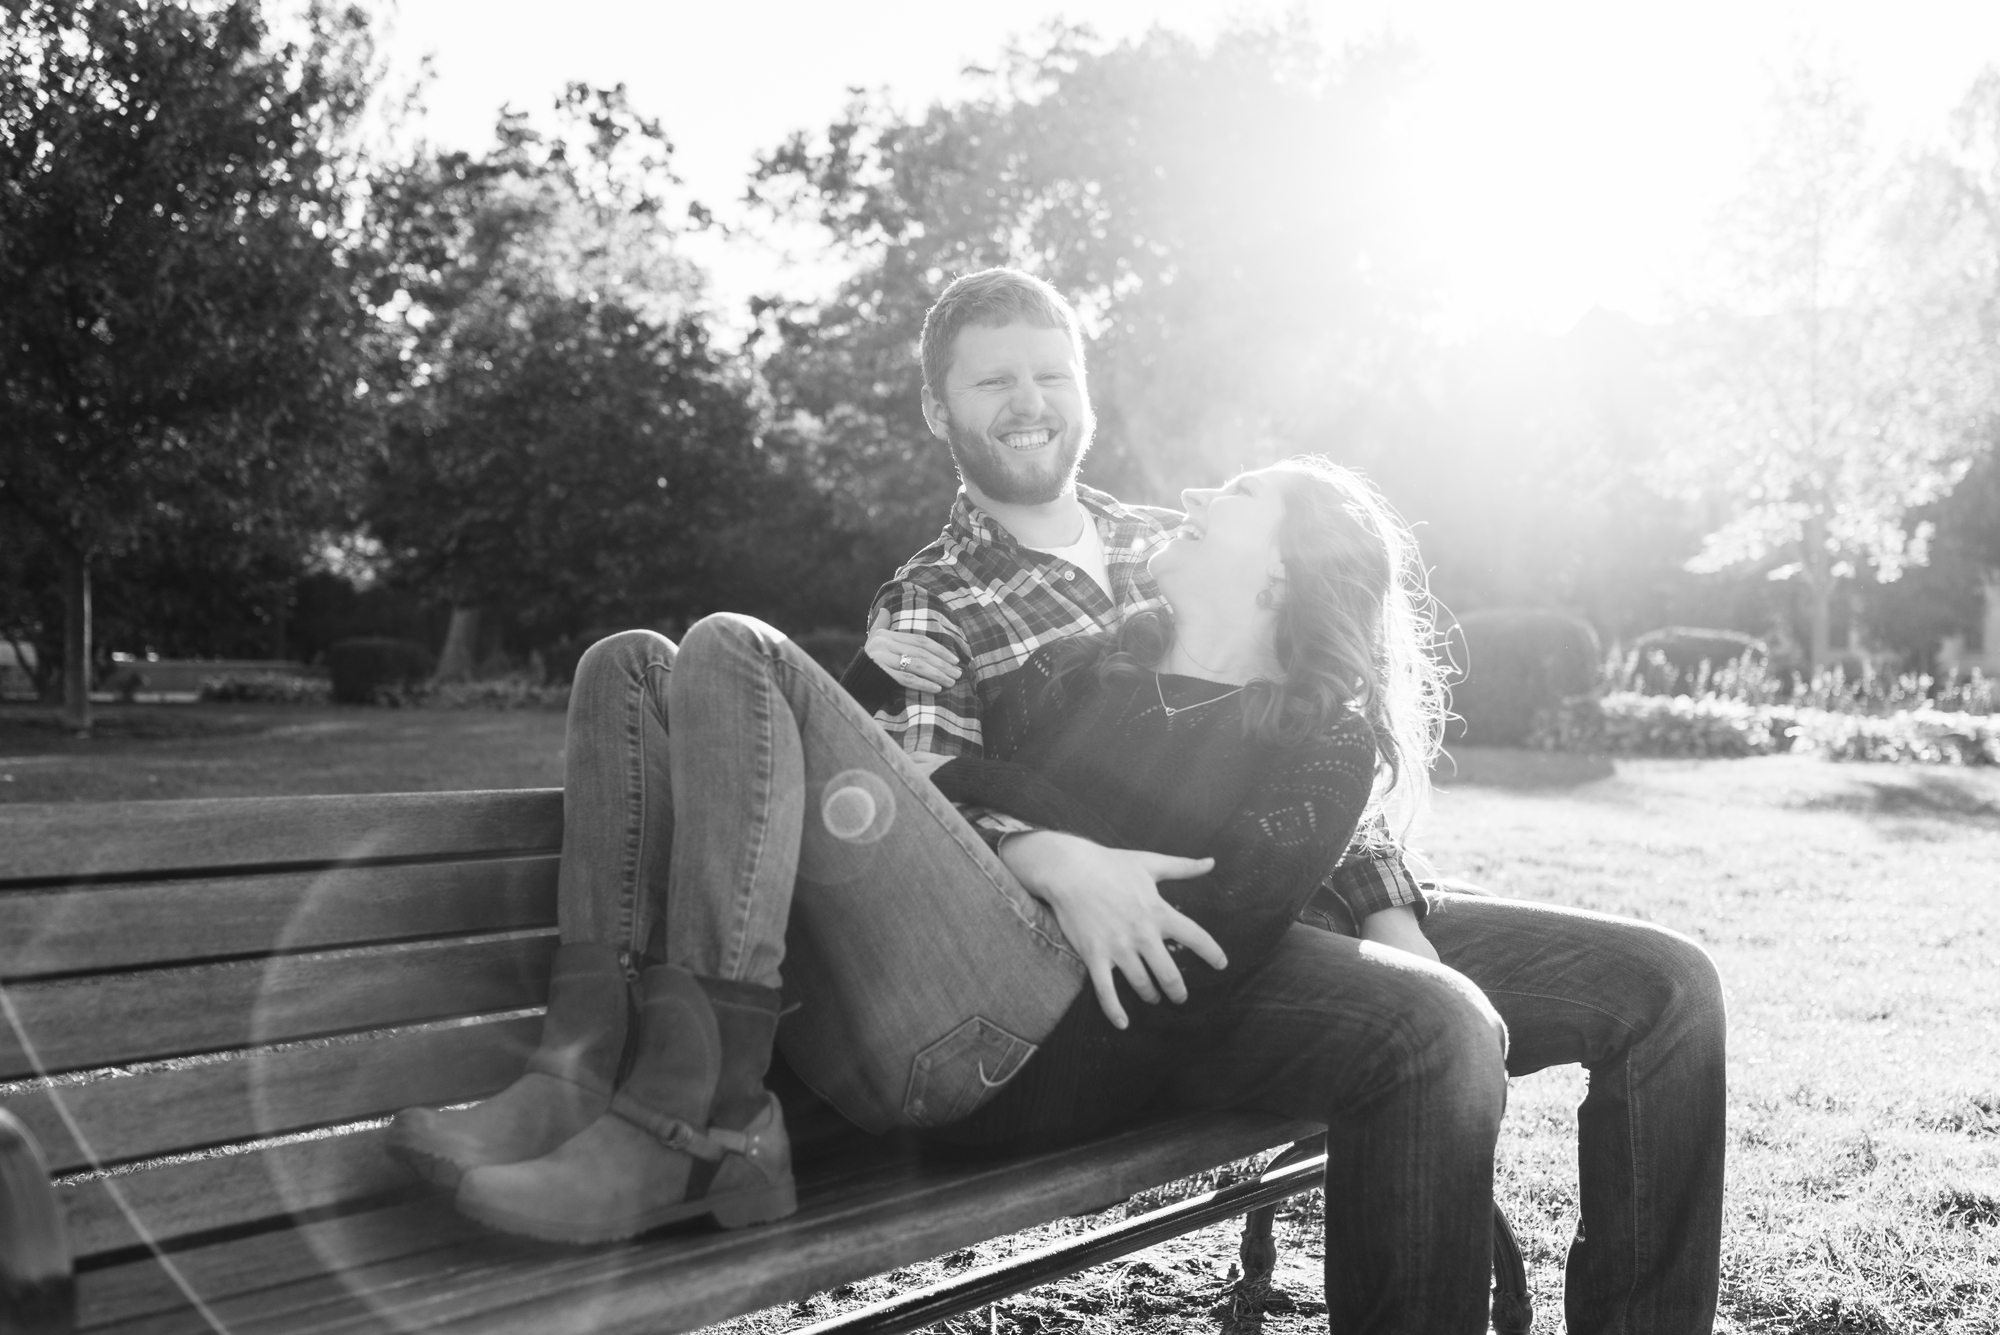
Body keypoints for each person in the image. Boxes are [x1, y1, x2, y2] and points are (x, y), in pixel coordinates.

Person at [388, 450, 1516, 1330]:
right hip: (932, 979)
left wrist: (1022, 817)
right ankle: (578, 1075)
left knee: (735, 644)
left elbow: (1192, 926)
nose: (1191, 494)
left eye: (1235, 492)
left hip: (1038, 1060)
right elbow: (940, 785)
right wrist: (1051, 853)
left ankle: (705, 1128)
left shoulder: (1322, 741)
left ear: (1281, 568)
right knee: (631, 663)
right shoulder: (1095, 662)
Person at [857, 268, 1727, 1334]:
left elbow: (1313, 734)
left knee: (1666, 988)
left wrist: (1390, 911)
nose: (1029, 401)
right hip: (1169, 946)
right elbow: (931, 816)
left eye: (1050, 372)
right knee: (1427, 1028)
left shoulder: (1166, 537)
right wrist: (1049, 854)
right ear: (936, 406)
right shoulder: (930, 597)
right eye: (992, 380)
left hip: (1315, 887)